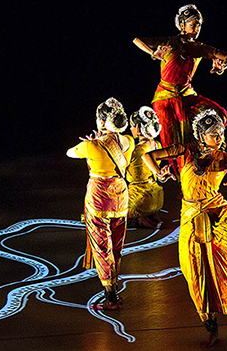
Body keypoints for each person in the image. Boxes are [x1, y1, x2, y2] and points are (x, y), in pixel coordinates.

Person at [142, 109, 227, 347]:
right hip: (190, 216)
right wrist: (159, 173)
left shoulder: (225, 156)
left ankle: (214, 325)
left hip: (215, 211)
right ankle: (210, 325)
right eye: (214, 133)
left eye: (220, 133)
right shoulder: (184, 150)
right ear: (201, 135)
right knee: (193, 274)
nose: (219, 137)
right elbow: (150, 155)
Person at [133, 4, 227, 175]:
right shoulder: (168, 42)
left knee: (221, 114)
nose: (197, 28)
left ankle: (213, 157)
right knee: (171, 141)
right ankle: (176, 175)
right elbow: (137, 40)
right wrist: (153, 53)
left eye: (199, 25)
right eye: (193, 24)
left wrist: (222, 67)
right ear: (182, 24)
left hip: (187, 94)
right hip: (164, 97)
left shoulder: (199, 47)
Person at [66, 97, 135, 310]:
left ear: (103, 122)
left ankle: (111, 296)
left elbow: (69, 153)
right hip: (121, 197)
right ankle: (113, 285)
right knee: (116, 244)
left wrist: (93, 143)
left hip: (99, 200)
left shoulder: (90, 145)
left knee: (102, 247)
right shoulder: (129, 141)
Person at [126, 106, 165, 229]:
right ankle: (149, 216)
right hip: (157, 197)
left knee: (106, 213)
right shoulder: (157, 145)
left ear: (138, 128)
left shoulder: (136, 150)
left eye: (132, 126)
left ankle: (139, 219)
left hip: (140, 199)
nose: (131, 129)